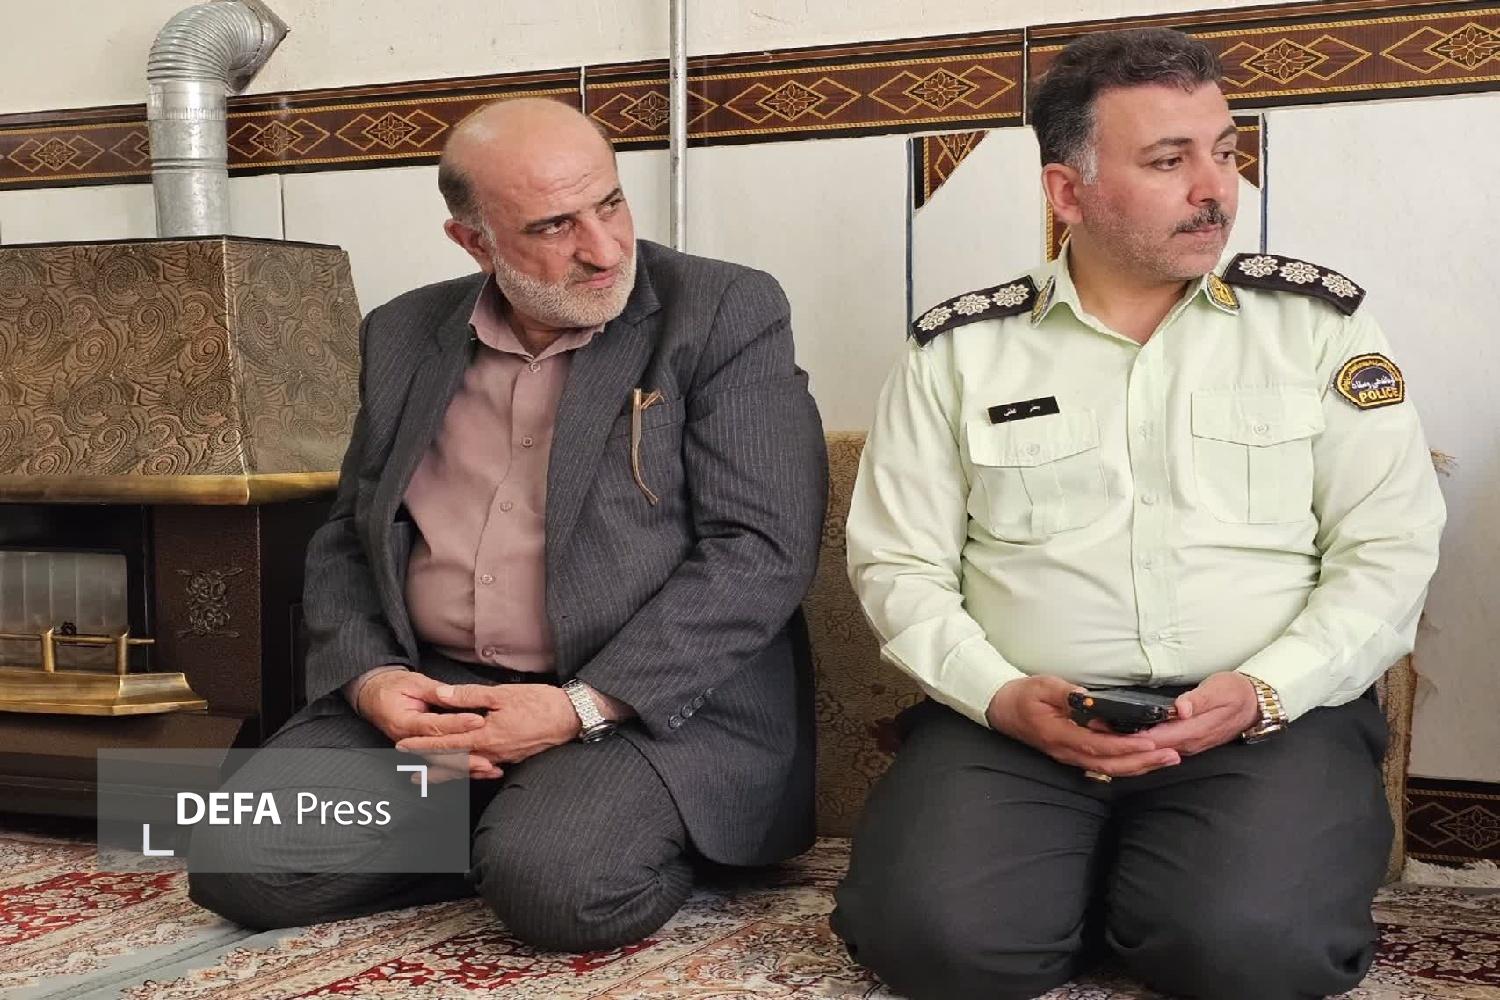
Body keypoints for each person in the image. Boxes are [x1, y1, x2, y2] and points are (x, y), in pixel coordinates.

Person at [831, 27, 1445, 1000]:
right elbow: (896, 566)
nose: (1215, 189)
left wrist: (1267, 688)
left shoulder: (1318, 329)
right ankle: (1098, 884)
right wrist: (999, 695)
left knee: (1250, 950)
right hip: (1020, 721)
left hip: (1262, 721)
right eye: (1169, 161)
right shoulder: (961, 352)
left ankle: (1161, 892)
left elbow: (1389, 548)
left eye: (1225, 152)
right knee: (935, 944)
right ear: (1067, 192)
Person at [187, 97, 827, 952]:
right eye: (554, 226)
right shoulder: (402, 332)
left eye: (609, 203)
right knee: (230, 856)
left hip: (634, 704)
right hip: (441, 692)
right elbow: (349, 533)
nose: (604, 249)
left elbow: (761, 551)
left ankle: (536, 828)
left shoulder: (723, 308)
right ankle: (500, 819)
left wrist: (575, 708)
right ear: (474, 242)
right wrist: (372, 679)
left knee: (557, 893)